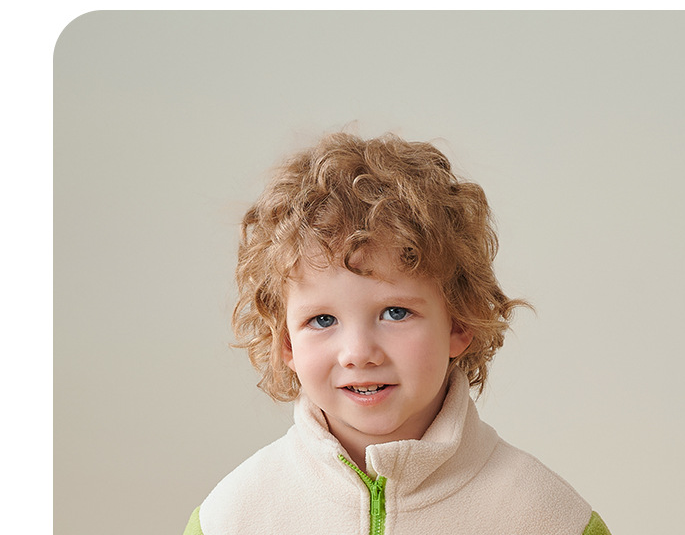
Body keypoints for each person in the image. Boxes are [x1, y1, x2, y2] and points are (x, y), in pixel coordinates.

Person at [182, 132, 611, 535]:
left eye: (395, 312)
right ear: (286, 342)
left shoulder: (546, 518)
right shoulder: (232, 518)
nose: (358, 353)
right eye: (323, 320)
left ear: (460, 323)